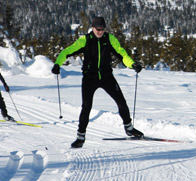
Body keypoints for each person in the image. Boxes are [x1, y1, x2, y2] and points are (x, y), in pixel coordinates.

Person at [51, 16, 144, 148]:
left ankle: (129, 128)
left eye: (102, 29)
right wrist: (57, 64)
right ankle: (80, 137)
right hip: (90, 78)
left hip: (107, 77)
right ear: (92, 28)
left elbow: (122, 54)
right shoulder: (85, 40)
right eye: (97, 29)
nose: (100, 31)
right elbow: (66, 52)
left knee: (121, 102)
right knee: (86, 107)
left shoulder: (109, 39)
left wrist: (133, 64)